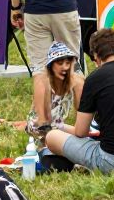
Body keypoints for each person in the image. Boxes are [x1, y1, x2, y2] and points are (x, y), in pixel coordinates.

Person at [44, 28, 114, 174]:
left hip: (113, 161)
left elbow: (80, 132)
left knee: (52, 137)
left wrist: (58, 126)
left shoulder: (95, 78)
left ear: (97, 57)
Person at [14, 41, 85, 170]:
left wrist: (78, 85)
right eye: (60, 63)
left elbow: (81, 111)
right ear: (51, 65)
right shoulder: (43, 81)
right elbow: (43, 122)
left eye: (68, 63)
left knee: (82, 133)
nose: (65, 67)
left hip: (57, 123)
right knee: (68, 140)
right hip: (39, 126)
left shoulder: (75, 81)